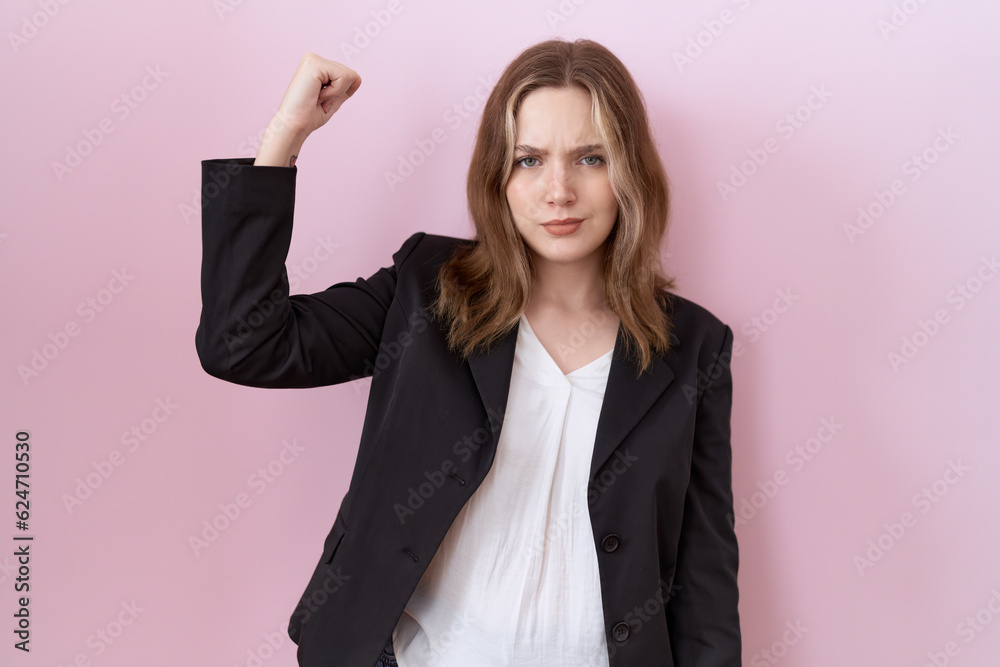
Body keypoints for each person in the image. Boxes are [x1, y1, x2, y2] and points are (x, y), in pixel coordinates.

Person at [196, 38, 740, 667]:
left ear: (631, 173)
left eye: (591, 158)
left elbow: (703, 579)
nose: (558, 190)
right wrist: (285, 136)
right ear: (496, 176)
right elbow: (244, 343)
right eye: (529, 160)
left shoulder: (694, 347)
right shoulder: (426, 288)